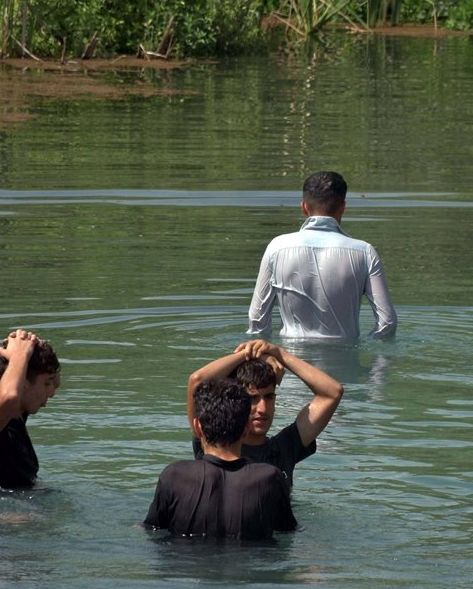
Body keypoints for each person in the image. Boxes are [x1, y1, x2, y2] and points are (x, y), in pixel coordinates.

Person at [248, 171, 397, 339]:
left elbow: (257, 320)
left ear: (304, 207)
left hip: (291, 360)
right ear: (343, 207)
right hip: (345, 361)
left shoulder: (277, 247)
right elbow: (387, 322)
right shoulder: (364, 252)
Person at [144, 379, 297, 540]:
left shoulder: (174, 475)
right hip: (248, 563)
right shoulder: (269, 478)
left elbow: (152, 529)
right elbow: (288, 533)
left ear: (198, 427)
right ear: (245, 428)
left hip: (189, 562)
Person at [187, 340, 343, 487]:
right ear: (236, 401)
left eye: (269, 397)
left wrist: (280, 354)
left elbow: (332, 392)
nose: (263, 408)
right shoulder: (212, 442)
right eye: (253, 398)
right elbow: (197, 381)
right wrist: (246, 354)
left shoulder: (284, 448)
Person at [0, 329, 60, 489]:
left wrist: (35, 346)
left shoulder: (18, 415)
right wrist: (20, 356)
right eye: (46, 383)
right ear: (23, 384)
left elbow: (54, 379)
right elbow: (9, 396)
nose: (52, 392)